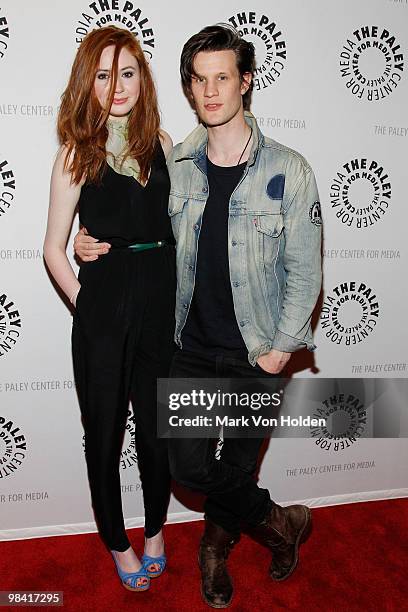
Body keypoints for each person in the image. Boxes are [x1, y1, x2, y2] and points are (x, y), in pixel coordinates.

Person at [75, 24, 322, 608]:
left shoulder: (290, 169)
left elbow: (307, 272)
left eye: (223, 77)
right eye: (199, 80)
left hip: (256, 349)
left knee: (237, 461)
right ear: (189, 89)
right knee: (186, 465)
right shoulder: (173, 160)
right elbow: (133, 222)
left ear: (246, 83)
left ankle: (214, 552)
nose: (211, 91)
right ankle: (278, 521)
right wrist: (86, 245)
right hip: (186, 346)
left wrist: (283, 347)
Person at [43, 26, 176, 592]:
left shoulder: (165, 144)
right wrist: (88, 302)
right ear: (87, 84)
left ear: (141, 78)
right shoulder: (77, 153)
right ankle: (118, 542)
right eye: (103, 74)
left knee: (156, 430)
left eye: (127, 72)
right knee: (104, 433)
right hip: (103, 310)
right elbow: (53, 247)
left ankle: (154, 531)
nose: (116, 85)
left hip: (160, 302)